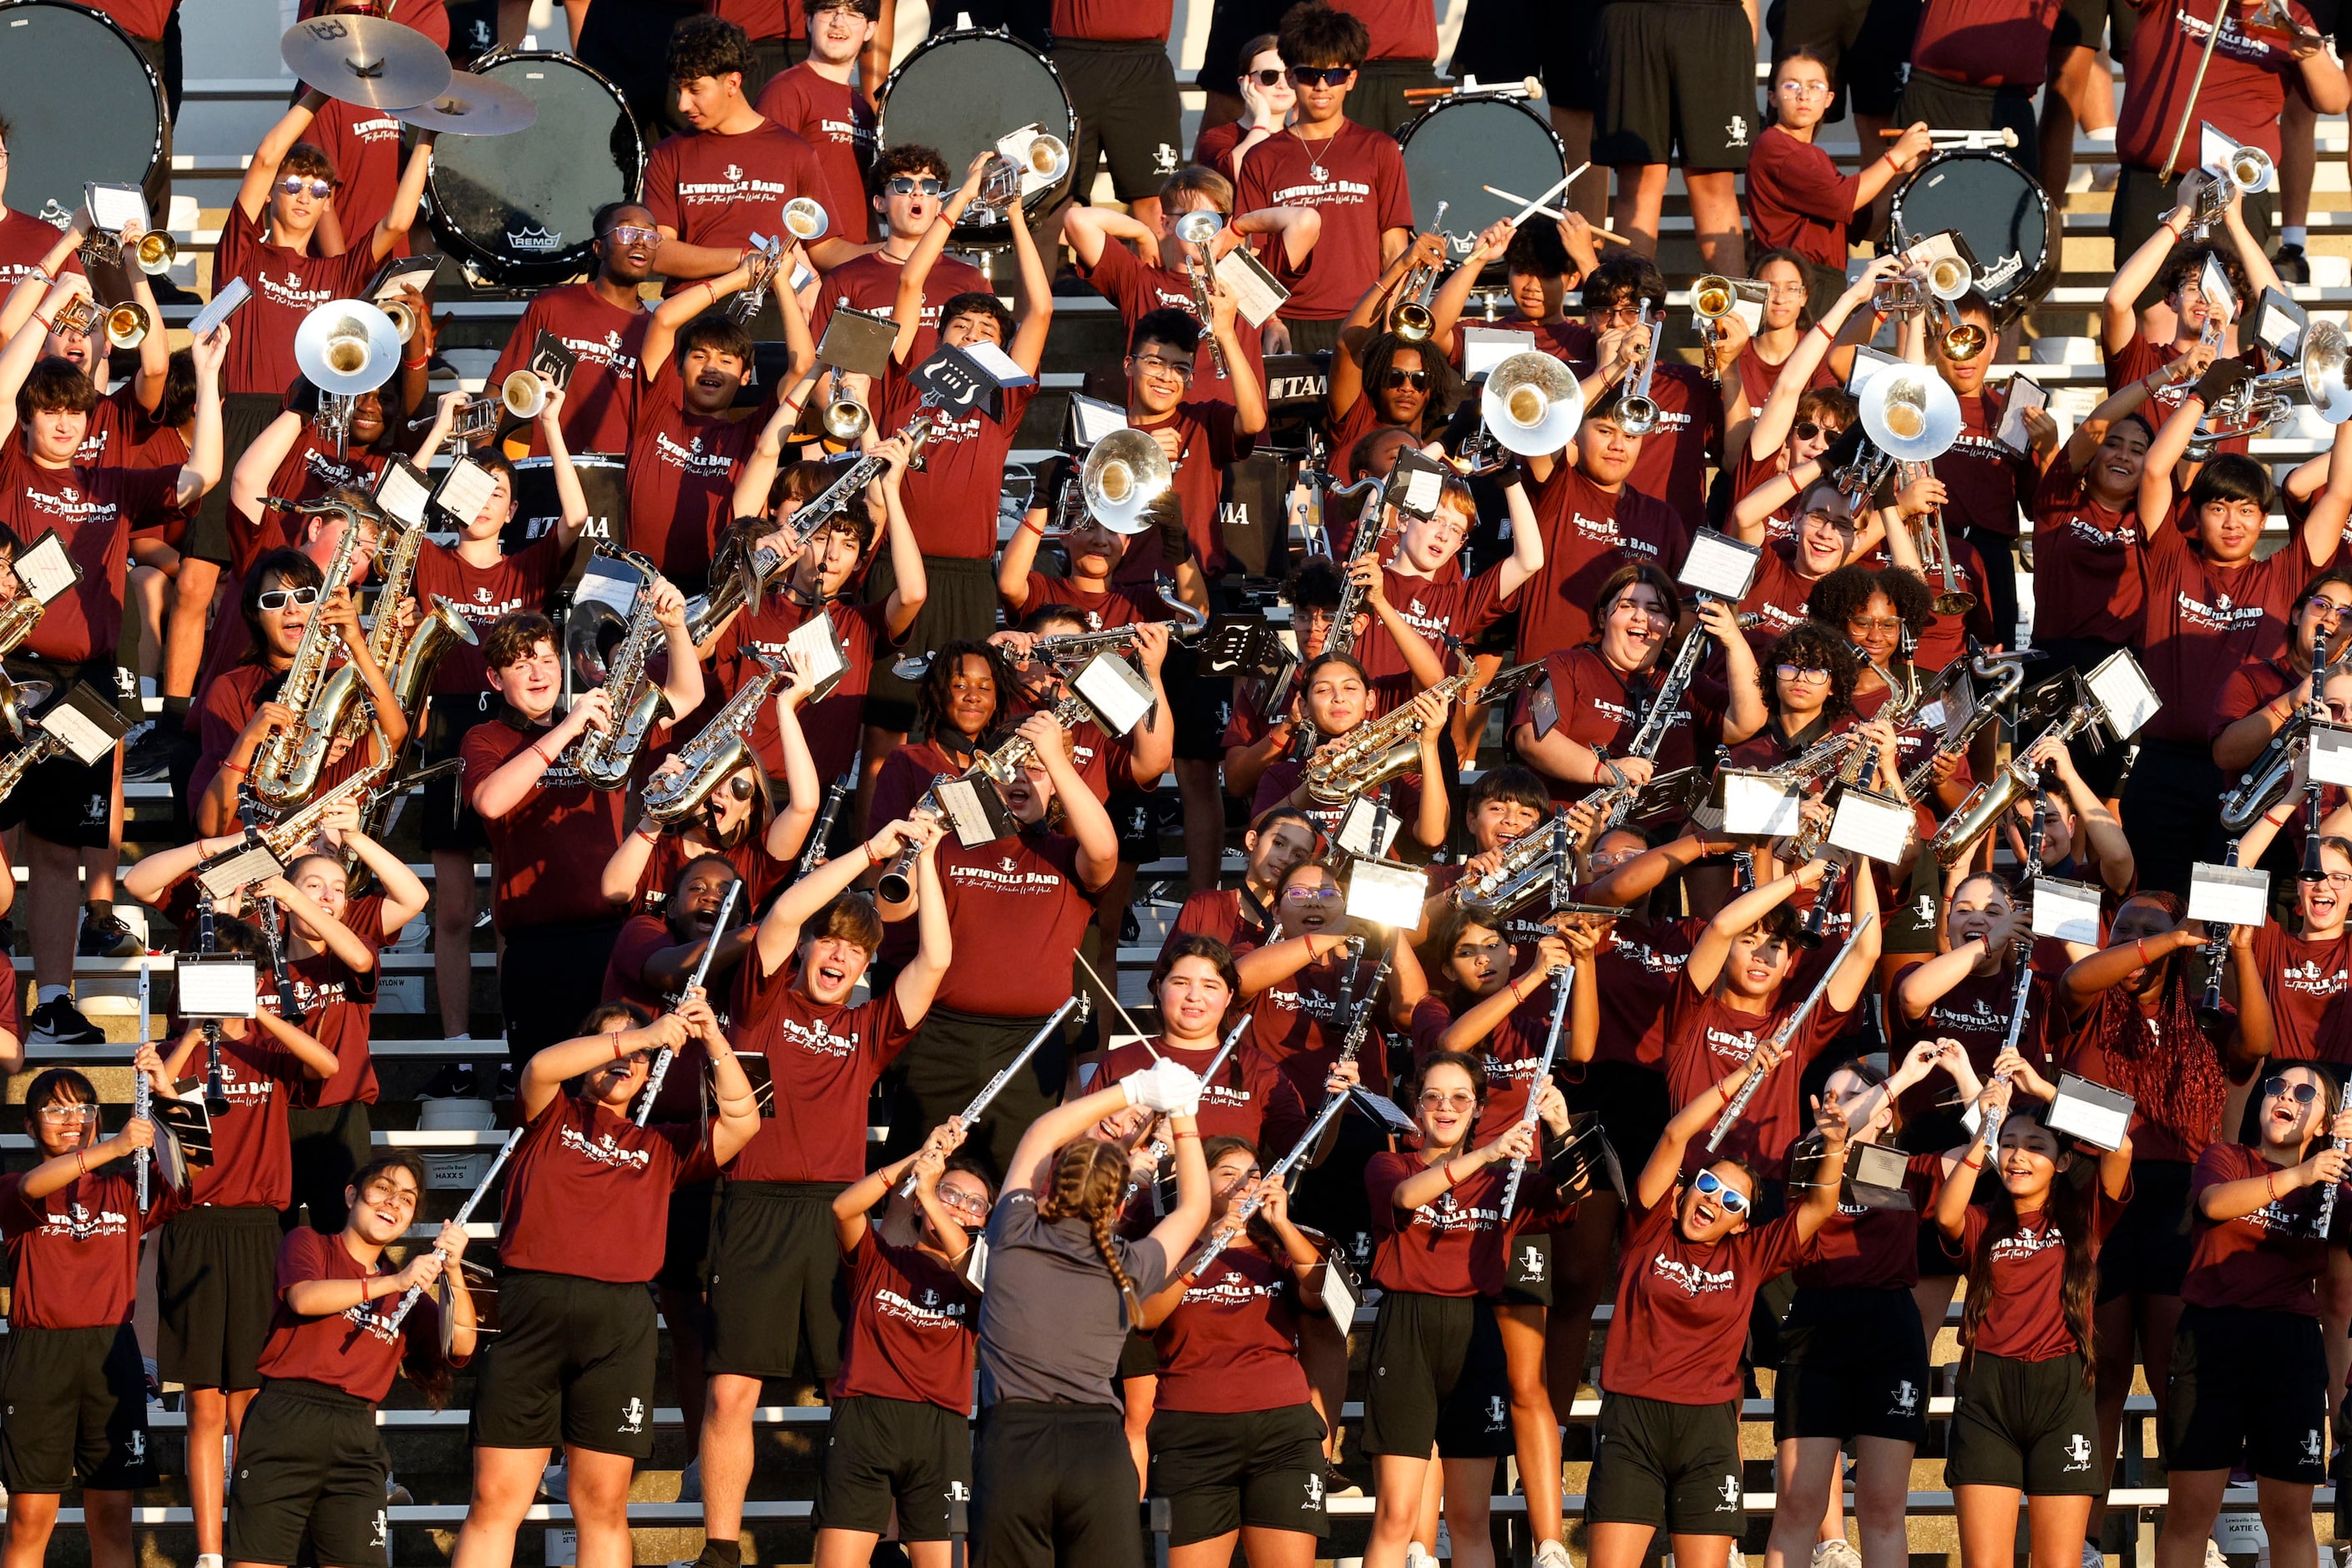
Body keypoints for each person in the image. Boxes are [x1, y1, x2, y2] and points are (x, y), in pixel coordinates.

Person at [694, 816, 950, 1568]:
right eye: (830, 939)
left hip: (839, 1216)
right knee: (731, 1390)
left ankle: (878, 1545)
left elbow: (934, 960)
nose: (840, 953)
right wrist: (871, 854)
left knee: (865, 1394)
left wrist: (926, 861)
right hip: (753, 1206)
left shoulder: (870, 1027)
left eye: (857, 947)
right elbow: (779, 914)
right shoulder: (762, 1004)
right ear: (808, 948)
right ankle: (719, 1547)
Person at [166, 88, 433, 748]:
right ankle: (175, 720)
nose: (304, 196)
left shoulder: (340, 270)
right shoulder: (244, 253)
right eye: (295, 184)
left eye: (319, 188)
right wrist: (315, 94)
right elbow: (261, 160)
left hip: (303, 426)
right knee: (201, 579)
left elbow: (399, 220)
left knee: (281, 573)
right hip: (239, 418)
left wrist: (427, 134)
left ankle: (258, 696)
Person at [451, 999, 758, 1568]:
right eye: (615, 1045)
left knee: (602, 1502)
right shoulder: (550, 1112)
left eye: (641, 1056)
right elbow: (542, 1066)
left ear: (650, 1074)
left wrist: (711, 1036)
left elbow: (744, 1120)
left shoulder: (662, 1146)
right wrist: (640, 1034)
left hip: (618, 1325)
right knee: (496, 1497)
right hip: (529, 1309)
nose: (627, 1059)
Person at [0, 316, 227, 1045]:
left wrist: (214, 377)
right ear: (27, 418)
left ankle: (54, 999)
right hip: (13, 669)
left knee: (62, 849)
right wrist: (51, 300)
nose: (64, 424)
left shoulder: (114, 483)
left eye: (74, 412)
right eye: (50, 411)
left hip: (92, 682)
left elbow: (204, 475)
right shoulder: (9, 467)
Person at [2056, 891, 2271, 1548]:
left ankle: (2191, 1536)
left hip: (2178, 1200)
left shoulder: (2202, 1014)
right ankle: (2084, 1544)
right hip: (2099, 1190)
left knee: (2175, 1374)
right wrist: (2170, 938)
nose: (2137, 941)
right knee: (2103, 1373)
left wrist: (2235, 950)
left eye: (2151, 930)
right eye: (2125, 929)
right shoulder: (2087, 1006)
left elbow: (2257, 1044)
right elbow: (2074, 976)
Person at [1583, 1045, 1850, 1568]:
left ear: (1743, 1222)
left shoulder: (1750, 1254)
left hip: (1709, 1430)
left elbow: (1819, 1206)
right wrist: (1747, 1072)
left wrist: (1835, 1147)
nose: (1714, 1202)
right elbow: (1676, 1135)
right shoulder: (1649, 1229)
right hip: (1633, 1419)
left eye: (1733, 1202)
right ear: (1684, 1191)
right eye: (1708, 1185)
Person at [1401, 918, 1604, 1568]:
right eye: (1465, 951)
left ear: (1509, 948)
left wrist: (1586, 959)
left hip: (1521, 1212)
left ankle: (1549, 1543)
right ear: (1448, 968)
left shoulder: (1541, 1007)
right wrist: (1533, 976)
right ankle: (1419, 1535)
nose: (1482, 958)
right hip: (1452, 1206)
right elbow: (1453, 1047)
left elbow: (1586, 1047)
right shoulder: (1437, 1009)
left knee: (1526, 1381)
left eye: (1492, 946)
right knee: (1438, 1382)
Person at [855, 149, 1052, 790]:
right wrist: (961, 196)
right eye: (958, 326)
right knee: (883, 739)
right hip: (894, 567)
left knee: (963, 739)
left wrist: (1016, 215)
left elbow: (1041, 310)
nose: (970, 335)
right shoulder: (906, 382)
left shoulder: (1004, 397)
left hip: (969, 579)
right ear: (937, 339)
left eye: (984, 329)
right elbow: (909, 286)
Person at [405, 394, 592, 1050]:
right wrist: (437, 433)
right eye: (471, 489)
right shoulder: (430, 559)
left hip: (527, 732)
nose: (484, 501)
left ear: (514, 509)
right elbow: (391, 509)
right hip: (454, 732)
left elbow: (578, 515)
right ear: (449, 498)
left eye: (497, 492)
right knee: (454, 910)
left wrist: (548, 422)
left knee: (514, 906)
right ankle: (456, 1049)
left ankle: (518, 1042)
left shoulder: (530, 562)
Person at [154, 924, 341, 1568]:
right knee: (205, 1404)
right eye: (208, 969)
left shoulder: (269, 1047)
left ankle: (252, 1548)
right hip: (196, 1230)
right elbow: (158, 1110)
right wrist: (192, 1031)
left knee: (252, 1405)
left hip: (262, 1229)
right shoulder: (169, 1049)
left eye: (234, 968)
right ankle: (210, 1552)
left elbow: (328, 1066)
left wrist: (254, 1007)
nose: (220, 980)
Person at [969, 1070, 1210, 1568]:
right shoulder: (1130, 1263)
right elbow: (1195, 1209)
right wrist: (1184, 1116)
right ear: (1122, 1202)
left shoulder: (1012, 1228)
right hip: (1098, 1452)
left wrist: (1136, 1089)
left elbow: (1041, 1133)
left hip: (1013, 1447)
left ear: (1051, 1183)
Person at [877, 702, 1116, 1180]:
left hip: (1030, 1047)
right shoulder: (948, 844)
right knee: (911, 1182)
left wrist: (1056, 759)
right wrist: (919, 841)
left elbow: (1106, 851)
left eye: (1038, 770)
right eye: (1012, 767)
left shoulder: (1068, 855)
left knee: (1017, 1192)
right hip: (939, 1036)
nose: (1023, 780)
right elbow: (890, 908)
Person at [461, 609, 703, 1079]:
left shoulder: (598, 723)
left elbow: (686, 696)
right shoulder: (485, 737)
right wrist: (568, 728)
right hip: (536, 947)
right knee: (545, 1088)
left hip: (609, 935)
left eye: (548, 661)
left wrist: (675, 625)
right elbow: (490, 803)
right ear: (495, 678)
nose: (538, 673)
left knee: (615, 1080)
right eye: (521, 664)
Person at [2126, 397, 2352, 892]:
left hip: (2249, 775)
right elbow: (2154, 472)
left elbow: (2337, 496)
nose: (2233, 523)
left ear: (2262, 517)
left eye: (2247, 510)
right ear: (2198, 514)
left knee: (2225, 922)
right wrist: (2200, 397)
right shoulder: (2169, 560)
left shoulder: (2285, 576)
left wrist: (2347, 409)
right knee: (2156, 908)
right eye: (2219, 508)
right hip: (2162, 767)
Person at [1763, 1050, 1969, 1568]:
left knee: (1882, 1510)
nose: (1836, 1105)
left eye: (1852, 1095)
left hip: (1890, 1335)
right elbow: (1829, 1136)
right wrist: (1899, 1078)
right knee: (1798, 1507)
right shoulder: (1808, 1154)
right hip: (1817, 1328)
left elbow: (1984, 1150)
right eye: (1829, 1095)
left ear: (1884, 1113)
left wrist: (1965, 1074)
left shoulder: (1904, 1170)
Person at [224, 1154, 475, 1568]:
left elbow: (462, 1345)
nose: (393, 1203)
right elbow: (303, 1298)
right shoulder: (309, 1244)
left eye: (407, 1200)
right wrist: (392, 1281)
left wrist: (454, 1271)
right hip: (286, 1419)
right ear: (351, 1195)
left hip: (356, 1434)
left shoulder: (405, 1287)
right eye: (383, 1189)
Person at [2152, 1063, 2349, 1568]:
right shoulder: (2227, 1156)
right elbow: (2214, 1204)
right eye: (2277, 1086)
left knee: (2290, 1518)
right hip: (2211, 1342)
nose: (2287, 1095)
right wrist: (2300, 1174)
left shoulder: (2334, 1188)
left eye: (2307, 1092)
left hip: (2290, 1348)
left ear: (2328, 1122)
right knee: (2189, 1514)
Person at [1935, 1082, 2133, 1568]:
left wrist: (2040, 1089)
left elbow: (2122, 1144)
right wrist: (1986, 1126)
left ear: (2063, 1161)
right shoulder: (1983, 1221)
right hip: (1988, 1395)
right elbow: (1945, 1215)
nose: (2017, 1157)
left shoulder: (2086, 1217)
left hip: (2062, 1392)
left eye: (2036, 1147)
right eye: (2009, 1145)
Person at [1135, 1136, 1334, 1568]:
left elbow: (1323, 1295)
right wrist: (1206, 1250)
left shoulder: (1282, 1248)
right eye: (1229, 1173)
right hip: (1192, 1435)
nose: (1244, 1183)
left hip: (1282, 1434)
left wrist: (1282, 1224)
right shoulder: (1168, 1246)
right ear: (1197, 1182)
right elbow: (1145, 1317)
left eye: (1254, 1175)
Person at [0, 1064, 162, 1568]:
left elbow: (194, 1166)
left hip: (112, 1354)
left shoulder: (126, 1186)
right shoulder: (15, 1182)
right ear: (29, 1126)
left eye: (84, 1108)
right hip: (39, 1358)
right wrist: (111, 1146)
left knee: (113, 1515)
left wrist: (164, 1079)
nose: (72, 1119)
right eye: (54, 1109)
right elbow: (30, 1187)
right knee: (30, 1516)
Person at [812, 1123, 992, 1568]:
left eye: (975, 1204)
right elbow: (843, 1208)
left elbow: (981, 1282)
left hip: (939, 1430)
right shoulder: (881, 1258)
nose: (960, 1208)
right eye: (951, 1194)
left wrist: (933, 1196)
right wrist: (917, 1158)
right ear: (915, 1202)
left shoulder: (985, 1276)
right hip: (864, 1421)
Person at [626, 247, 816, 589]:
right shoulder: (652, 413)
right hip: (640, 589)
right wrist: (741, 277)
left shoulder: (752, 435)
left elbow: (802, 367)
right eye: (700, 356)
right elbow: (664, 319)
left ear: (746, 377)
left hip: (715, 593)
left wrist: (782, 282)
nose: (712, 367)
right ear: (680, 366)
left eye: (727, 361)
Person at [1232, 3, 1414, 357]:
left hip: (1364, 319)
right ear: (1290, 76)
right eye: (1308, 74)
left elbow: (1394, 250)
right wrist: (1270, 322)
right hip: (1286, 324)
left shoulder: (1381, 149)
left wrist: (1392, 331)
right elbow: (1247, 253)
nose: (1321, 86)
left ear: (1352, 79)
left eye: (1334, 75)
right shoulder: (1262, 156)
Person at [188, 547, 407, 835]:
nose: (292, 609)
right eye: (275, 600)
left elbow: (396, 733)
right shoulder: (230, 687)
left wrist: (356, 643)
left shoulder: (340, 677)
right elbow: (216, 812)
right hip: (245, 836)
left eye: (305, 597)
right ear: (254, 614)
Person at [2108, 0, 2346, 264]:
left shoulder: (2289, 14)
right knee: (2145, 301)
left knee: (2224, 302)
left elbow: (2334, 101)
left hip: (2235, 194)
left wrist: (2312, 53)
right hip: (2152, 181)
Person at [1510, 563, 1767, 807]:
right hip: (1580, 831)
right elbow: (1531, 738)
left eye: (1655, 610)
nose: (1640, 617)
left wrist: (1733, 640)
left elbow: (1747, 722)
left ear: (1670, 628)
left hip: (1662, 842)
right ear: (1602, 617)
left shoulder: (1687, 682)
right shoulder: (1564, 665)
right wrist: (1606, 771)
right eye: (1627, 606)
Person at [1061, 165, 1319, 398]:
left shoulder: (1243, 276)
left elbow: (1306, 221)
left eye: (1213, 220)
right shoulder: (1142, 279)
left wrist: (1238, 228)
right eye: (1191, 220)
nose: (1203, 232)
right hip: (1160, 436)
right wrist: (1142, 234)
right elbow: (1077, 221)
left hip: (1231, 429)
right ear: (1168, 223)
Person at [642, 15, 851, 300]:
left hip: (773, 307)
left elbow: (825, 248)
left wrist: (891, 252)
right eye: (679, 90)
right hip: (694, 311)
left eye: (694, 90)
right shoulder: (668, 153)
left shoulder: (796, 152)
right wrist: (744, 259)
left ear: (732, 83)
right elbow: (659, 251)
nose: (682, 104)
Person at [1746, 50, 1930, 306]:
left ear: (1829, 99)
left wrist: (1907, 171)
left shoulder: (1816, 156)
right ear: (1772, 97)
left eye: (1815, 86)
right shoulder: (1774, 145)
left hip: (1825, 280)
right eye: (1791, 85)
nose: (1804, 95)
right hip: (1789, 283)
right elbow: (1844, 200)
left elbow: (1868, 226)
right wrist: (1896, 157)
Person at [481, 202, 657, 465]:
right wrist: (475, 464)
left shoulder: (657, 331)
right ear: (599, 248)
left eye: (651, 236)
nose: (641, 242)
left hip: (621, 477)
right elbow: (499, 390)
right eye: (627, 233)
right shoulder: (552, 306)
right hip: (550, 471)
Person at [1591, 0, 1758, 271]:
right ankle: (1628, 309)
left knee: (1714, 183)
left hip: (1715, 18)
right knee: (1638, 180)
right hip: (1634, 20)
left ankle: (1730, 313)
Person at [1045, 0, 1185, 238]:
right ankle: (1045, 275)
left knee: (1159, 209)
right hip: (1073, 55)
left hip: (1144, 61)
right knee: (1049, 206)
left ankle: (1158, 276)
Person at [752, 0, 883, 244]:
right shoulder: (787, 90)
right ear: (810, 20)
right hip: (806, 270)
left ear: (870, 29)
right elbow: (765, 192)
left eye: (853, 13)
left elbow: (864, 200)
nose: (839, 21)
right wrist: (798, 268)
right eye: (829, 9)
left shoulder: (864, 110)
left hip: (853, 266)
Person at [1161, 806, 1321, 960]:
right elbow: (1166, 980)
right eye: (1278, 843)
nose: (1286, 858)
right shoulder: (1204, 906)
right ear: (1252, 840)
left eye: (1298, 855)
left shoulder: (1306, 924)